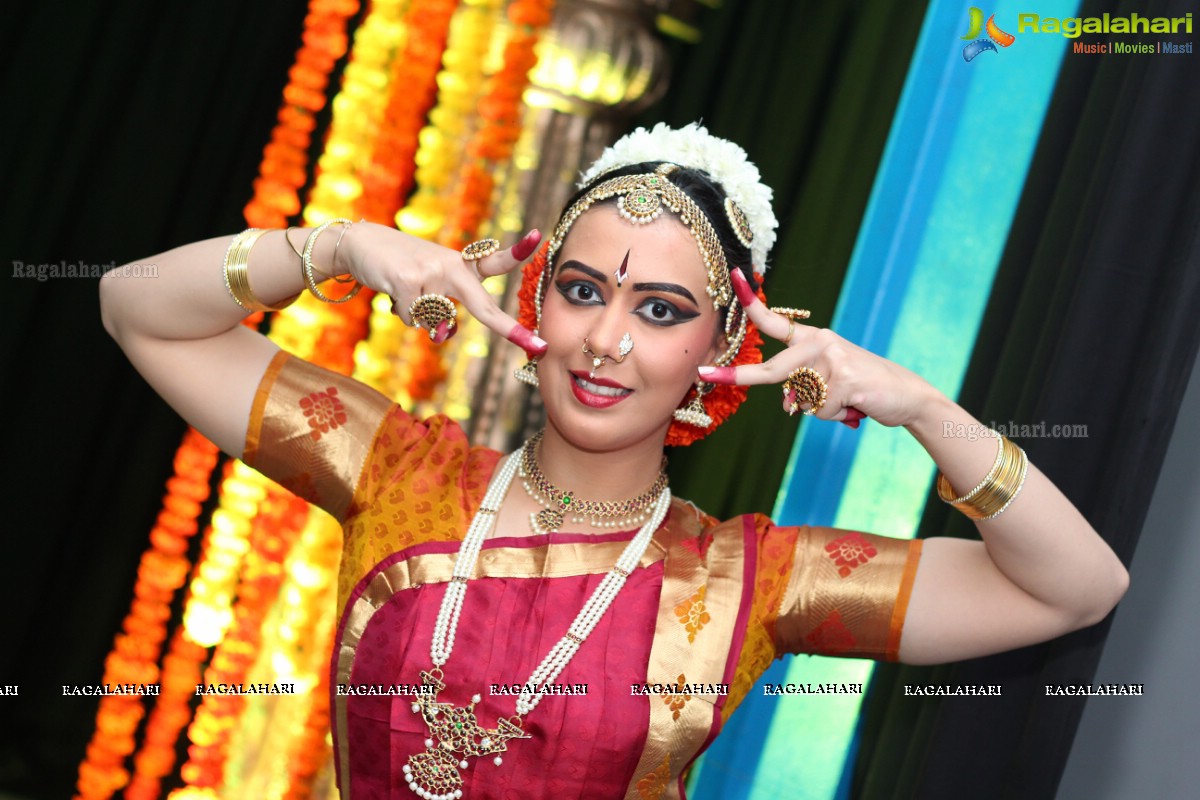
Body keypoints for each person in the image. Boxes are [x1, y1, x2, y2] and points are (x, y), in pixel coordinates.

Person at [100, 123, 1128, 800]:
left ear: (718, 356)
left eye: (663, 311)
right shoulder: (398, 472)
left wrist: (925, 408)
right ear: (535, 299)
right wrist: (331, 246)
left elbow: (1076, 588)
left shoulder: (751, 580)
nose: (608, 340)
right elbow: (138, 310)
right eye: (584, 290)